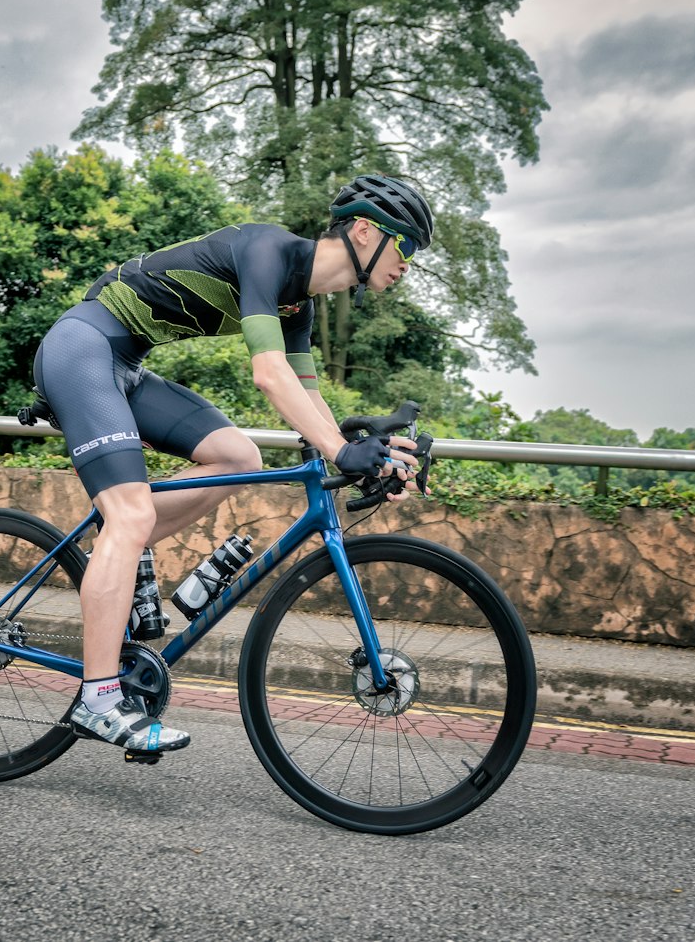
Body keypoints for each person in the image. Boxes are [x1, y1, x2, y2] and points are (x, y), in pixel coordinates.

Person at [30, 173, 434, 755]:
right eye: (407, 247)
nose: (408, 264)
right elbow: (268, 374)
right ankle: (97, 698)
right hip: (81, 348)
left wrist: (359, 450)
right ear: (367, 231)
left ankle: (118, 553)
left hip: (126, 365)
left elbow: (308, 398)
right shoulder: (268, 249)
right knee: (130, 516)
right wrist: (340, 449)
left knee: (237, 455)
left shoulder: (301, 304)